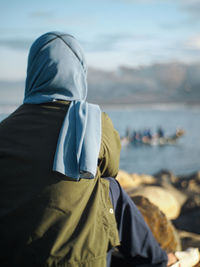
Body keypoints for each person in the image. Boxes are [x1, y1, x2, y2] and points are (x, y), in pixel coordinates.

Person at [0, 32, 176, 267]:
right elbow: (111, 168)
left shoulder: (5, 129)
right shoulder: (93, 122)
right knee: (108, 186)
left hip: (14, 257)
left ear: (32, 72)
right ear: (79, 73)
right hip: (83, 260)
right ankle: (158, 261)